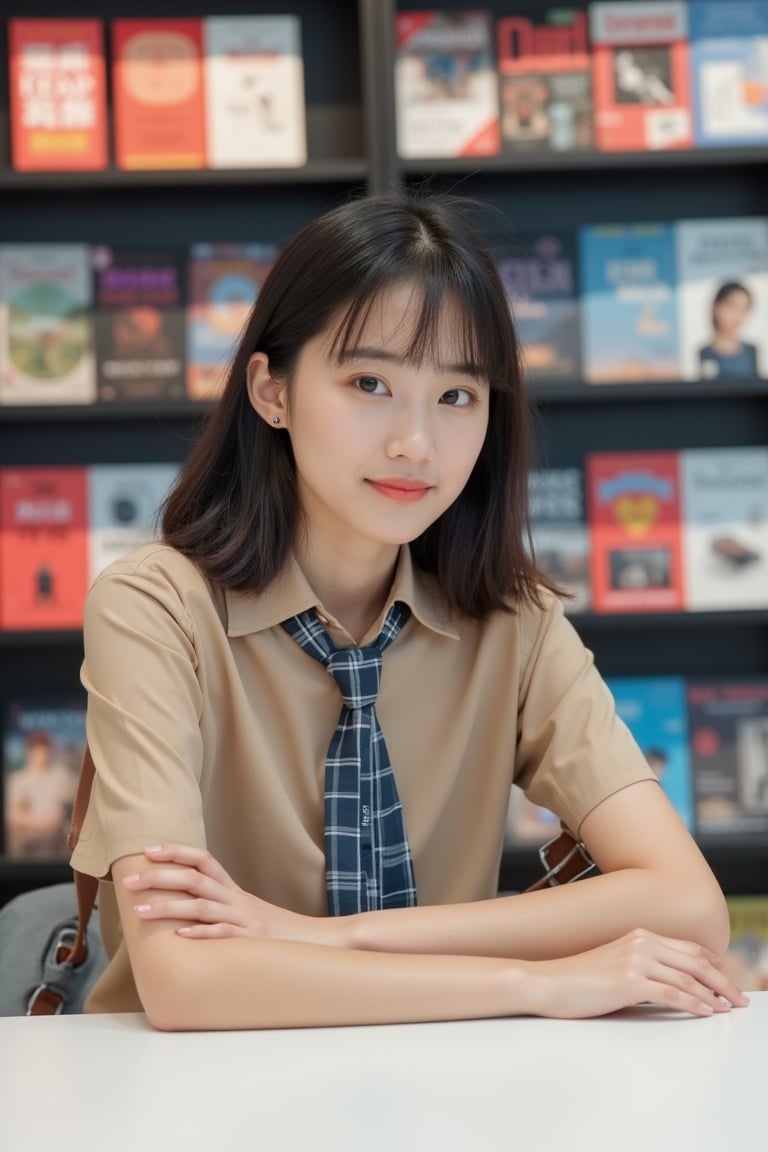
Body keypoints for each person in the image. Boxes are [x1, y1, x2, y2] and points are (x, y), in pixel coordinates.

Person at [71, 192, 747, 1029]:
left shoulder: (514, 621)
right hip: (182, 1094)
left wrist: (331, 941)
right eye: (369, 383)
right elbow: (183, 982)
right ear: (270, 390)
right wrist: (537, 983)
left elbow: (689, 906)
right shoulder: (155, 608)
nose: (415, 443)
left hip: (445, 1080)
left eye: (457, 397)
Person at [5, 731, 75, 859]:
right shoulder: (19, 779)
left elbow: (73, 808)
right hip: (29, 843)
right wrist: (40, 824)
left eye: (45, 750)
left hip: (59, 842)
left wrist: (59, 819)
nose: (42, 755)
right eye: (37, 750)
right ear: (30, 752)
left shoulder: (63, 776)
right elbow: (12, 815)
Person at [699, 281, 759, 379]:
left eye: (744, 309)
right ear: (716, 307)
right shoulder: (702, 353)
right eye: (733, 307)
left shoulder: (752, 351)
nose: (738, 316)